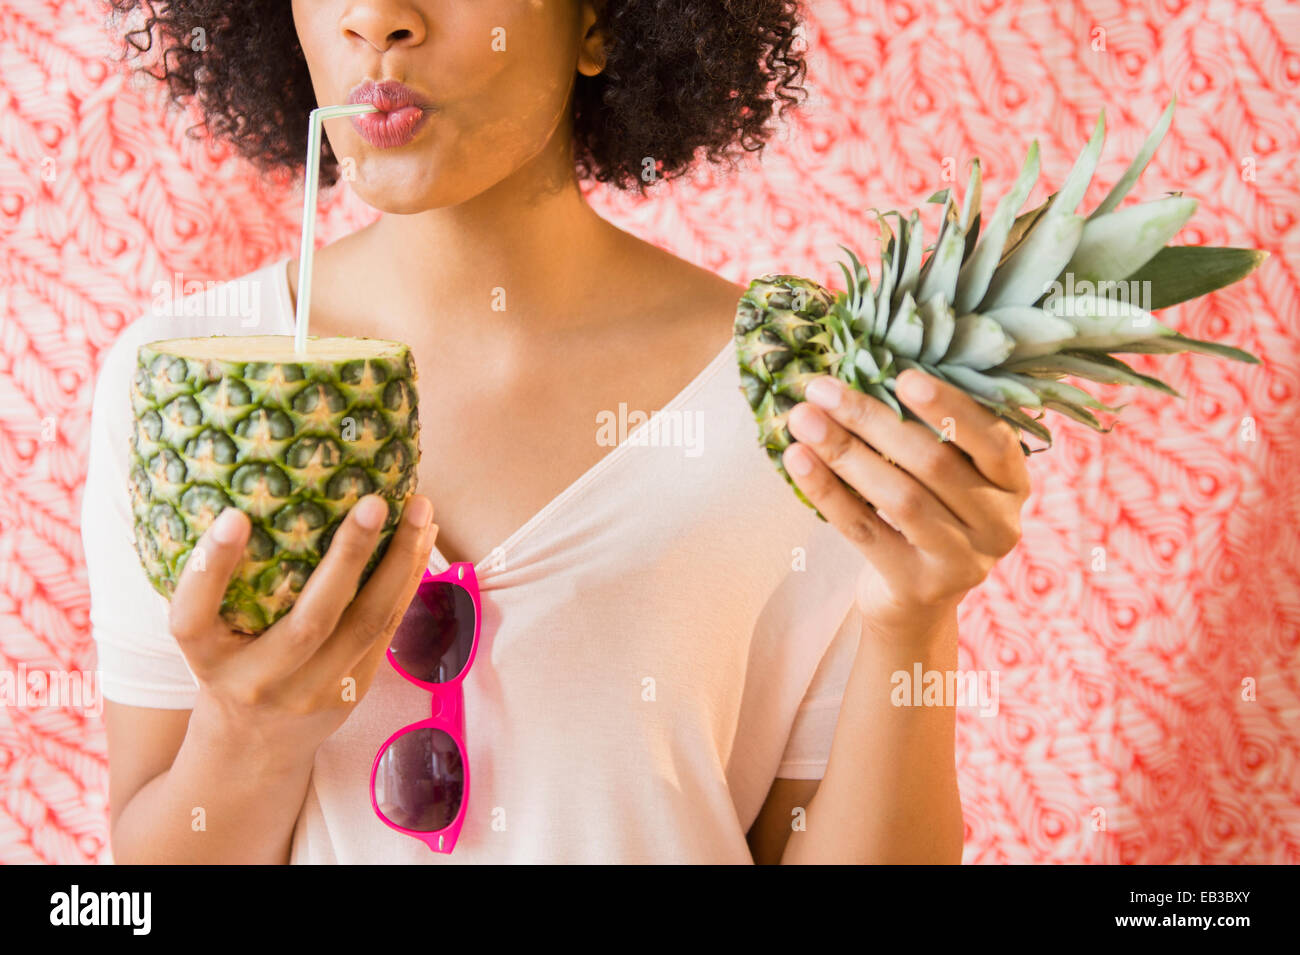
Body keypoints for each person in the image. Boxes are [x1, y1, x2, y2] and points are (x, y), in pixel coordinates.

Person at [84, 0, 1028, 864]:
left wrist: (913, 621)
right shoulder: (174, 382)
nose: (377, 18)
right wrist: (247, 736)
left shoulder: (792, 393)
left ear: (598, 23)